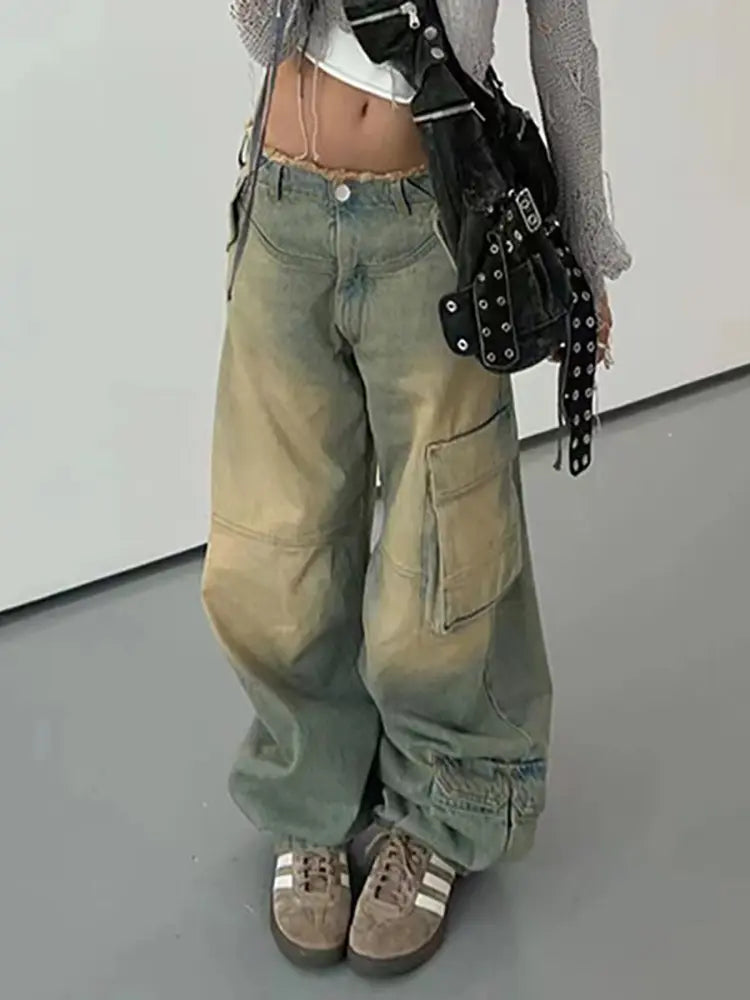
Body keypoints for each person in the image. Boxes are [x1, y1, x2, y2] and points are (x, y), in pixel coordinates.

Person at [202, 0, 632, 978]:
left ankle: (442, 809)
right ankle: (311, 791)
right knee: (272, 541)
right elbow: (262, 36)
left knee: (446, 542)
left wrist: (585, 249)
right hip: (284, 210)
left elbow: (563, 43)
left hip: (432, 225)